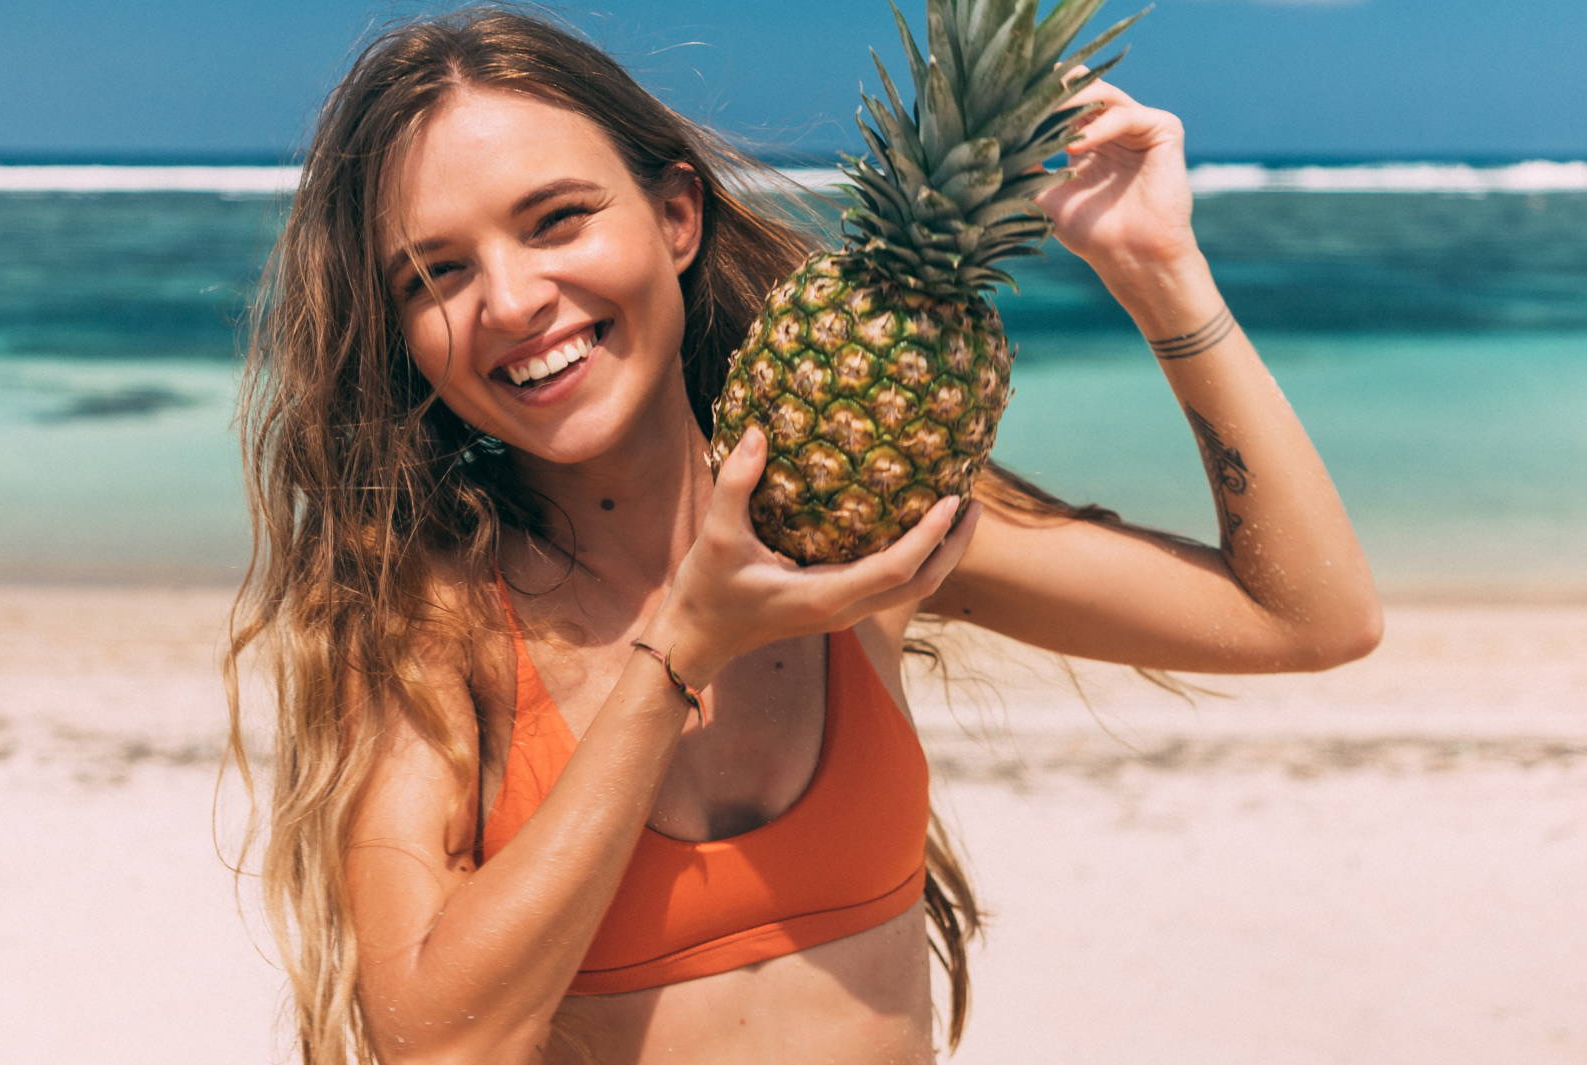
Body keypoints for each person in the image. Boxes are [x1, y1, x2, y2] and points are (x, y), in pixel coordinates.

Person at [224, 8, 1381, 1065]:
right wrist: (680, 652)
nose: (514, 300)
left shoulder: (859, 534)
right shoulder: (434, 624)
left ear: (675, 215)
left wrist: (1159, 274)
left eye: (557, 220)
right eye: (436, 274)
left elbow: (1307, 618)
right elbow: (437, 1045)